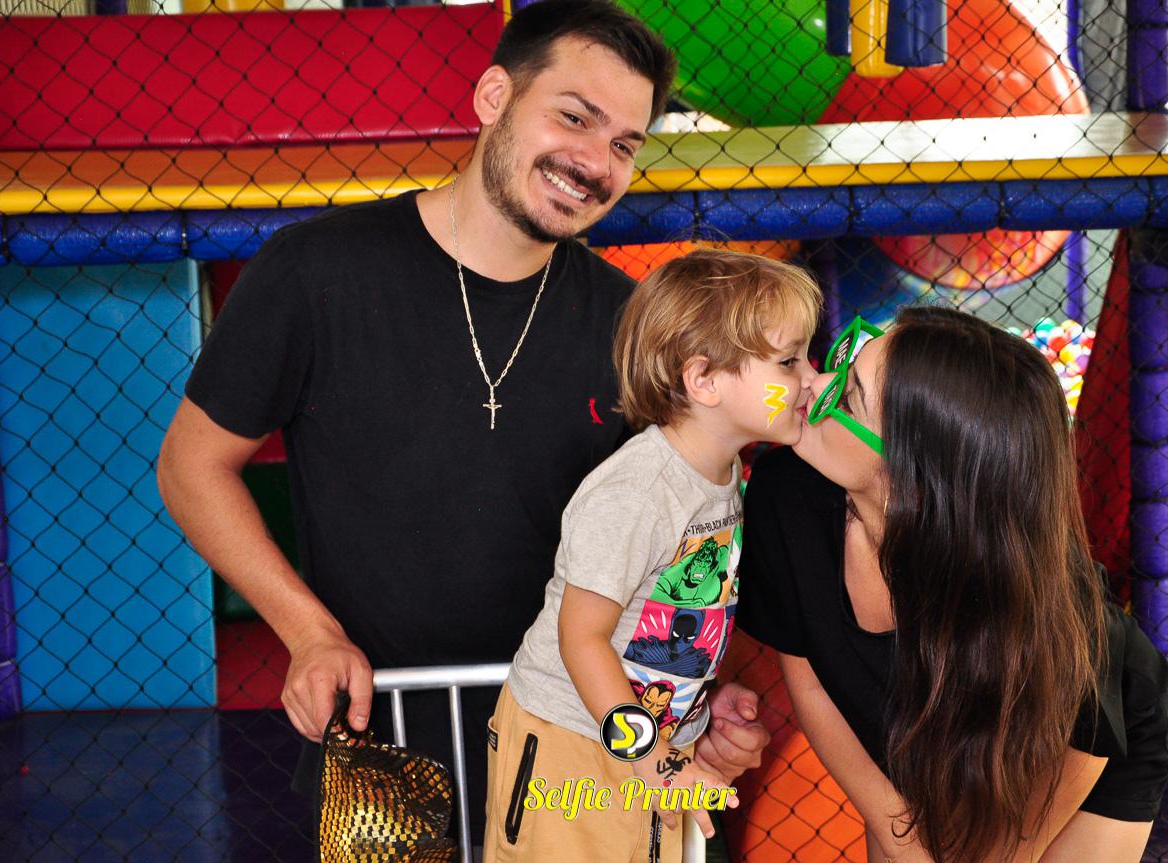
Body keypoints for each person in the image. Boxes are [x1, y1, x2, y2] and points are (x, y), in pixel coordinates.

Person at [155, 0, 769, 841]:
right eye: (574, 117)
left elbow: (687, 540)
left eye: (625, 144)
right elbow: (191, 465)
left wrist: (703, 694)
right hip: (379, 739)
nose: (596, 162)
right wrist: (309, 633)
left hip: (577, 747)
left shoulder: (635, 328)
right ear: (493, 97)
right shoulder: (316, 271)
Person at [739, 306, 1168, 863]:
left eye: (848, 399)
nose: (815, 384)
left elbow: (1065, 759)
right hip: (916, 734)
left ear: (914, 480)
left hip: (1069, 747)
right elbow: (814, 684)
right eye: (843, 364)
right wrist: (901, 839)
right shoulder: (786, 498)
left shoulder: (1042, 605)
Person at [486, 250, 822, 861]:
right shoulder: (639, 490)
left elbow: (661, 618)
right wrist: (650, 755)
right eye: (789, 361)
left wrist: (697, 699)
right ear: (704, 380)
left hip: (648, 741)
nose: (811, 377)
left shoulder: (722, 475)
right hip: (573, 742)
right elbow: (582, 638)